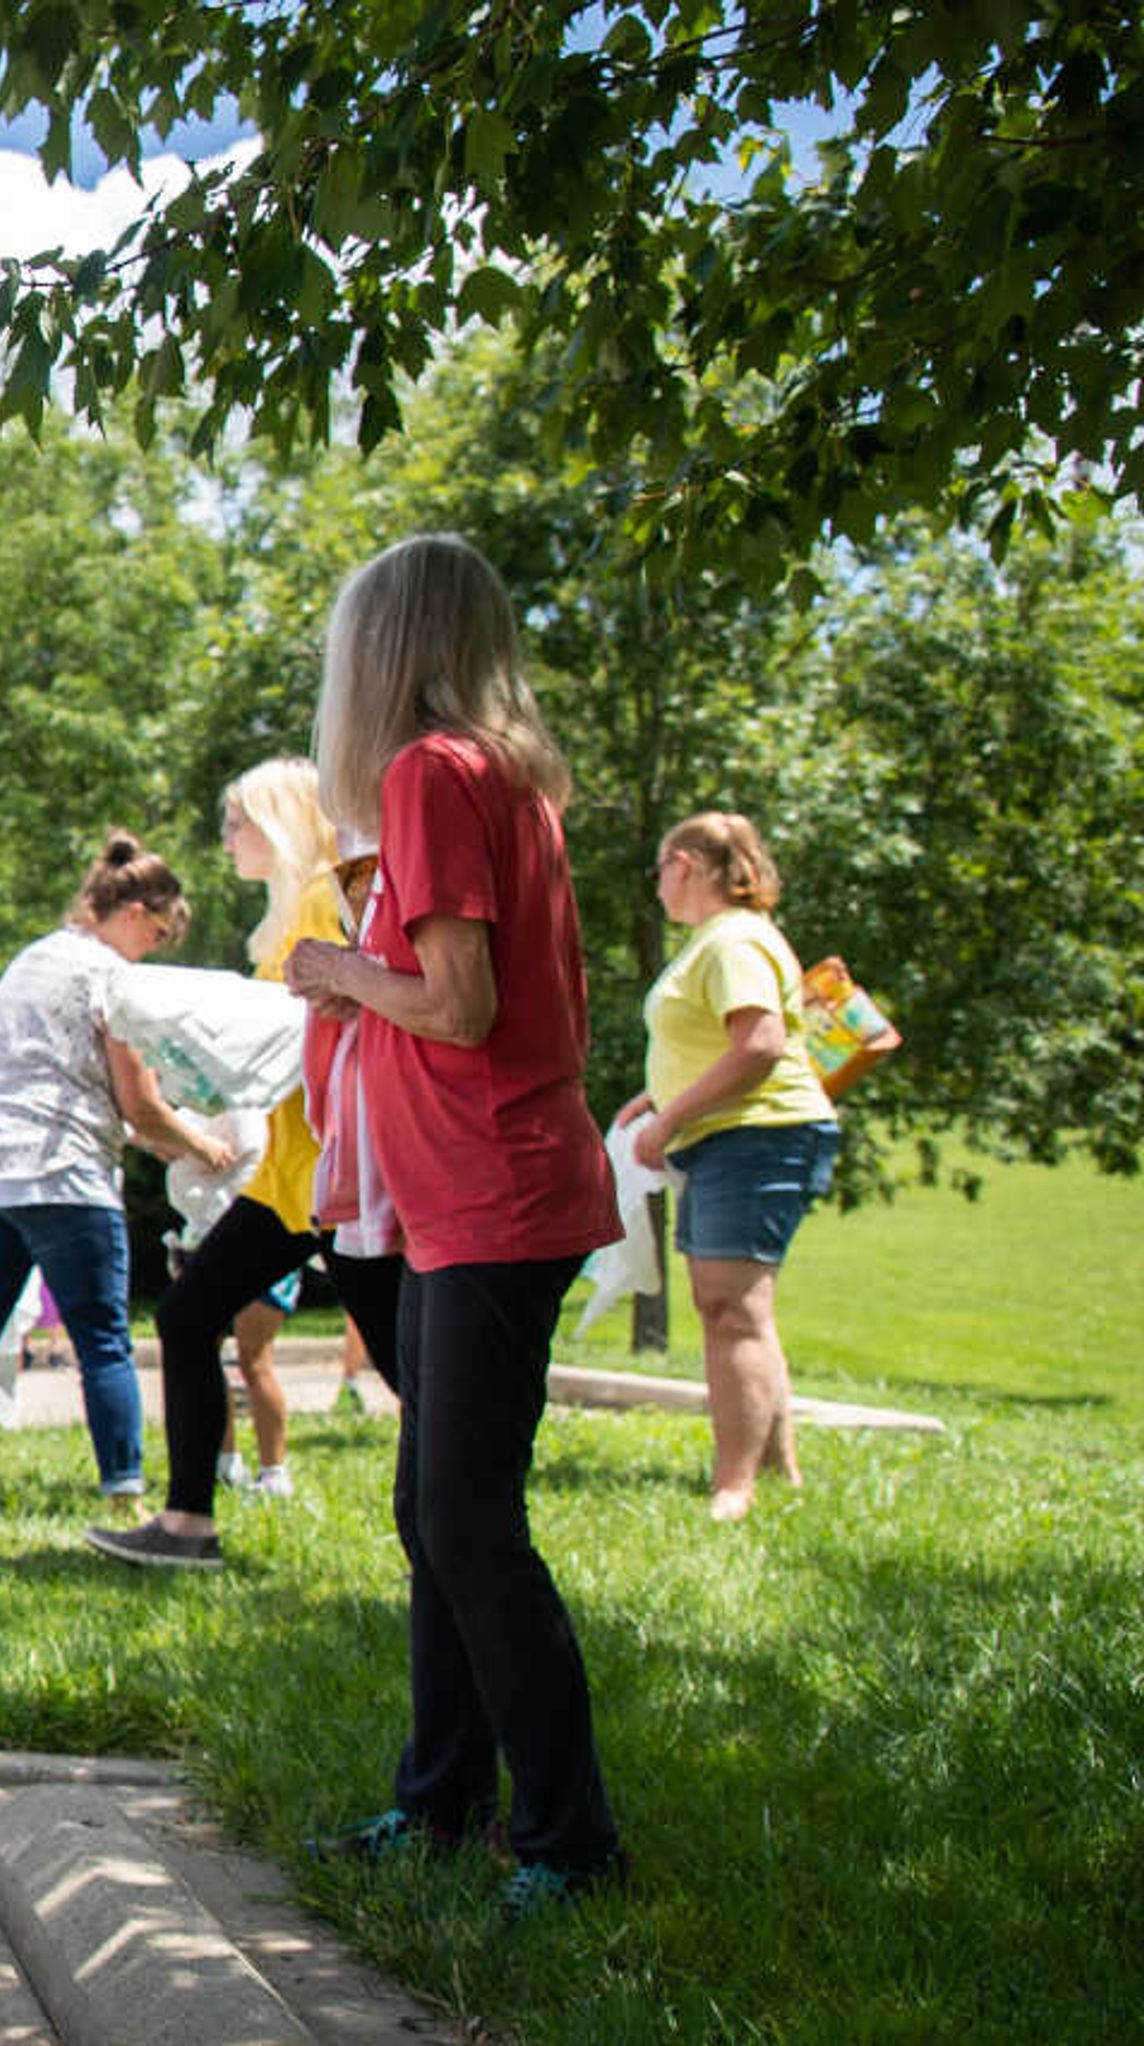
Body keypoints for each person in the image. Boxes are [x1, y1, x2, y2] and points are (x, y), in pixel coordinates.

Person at [281, 531, 627, 1915]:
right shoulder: (505, 778)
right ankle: (438, 1806)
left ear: (384, 651)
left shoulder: (430, 774)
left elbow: (460, 1002)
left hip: (492, 1187)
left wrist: (333, 966)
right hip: (465, 1193)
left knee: (467, 1521)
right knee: (436, 1515)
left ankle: (569, 1841)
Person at [89, 761, 405, 1568]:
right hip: (295, 1173)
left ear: (281, 822)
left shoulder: (323, 900)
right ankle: (188, 1525)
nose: (227, 837)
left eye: (239, 821)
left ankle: (460, 1534)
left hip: (335, 1174)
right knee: (190, 1314)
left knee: (411, 1363)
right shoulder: (293, 912)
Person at [0, 838, 238, 1514]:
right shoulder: (112, 976)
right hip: (59, 1172)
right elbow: (137, 1100)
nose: (155, 947)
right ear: (134, 911)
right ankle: (123, 1496)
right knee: (102, 1340)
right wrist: (202, 1142)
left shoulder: (32, 959)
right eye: (158, 931)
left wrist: (152, 1137)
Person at [612, 812, 842, 1521]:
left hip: (753, 1135)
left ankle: (734, 1485)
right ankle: (776, 1468)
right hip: (734, 1136)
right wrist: (656, 1098)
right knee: (737, 1308)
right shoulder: (719, 941)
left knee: (731, 1309)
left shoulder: (735, 939)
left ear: (685, 863)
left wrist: (671, 1119)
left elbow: (761, 1044)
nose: (656, 889)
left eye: (658, 872)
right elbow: (716, 1041)